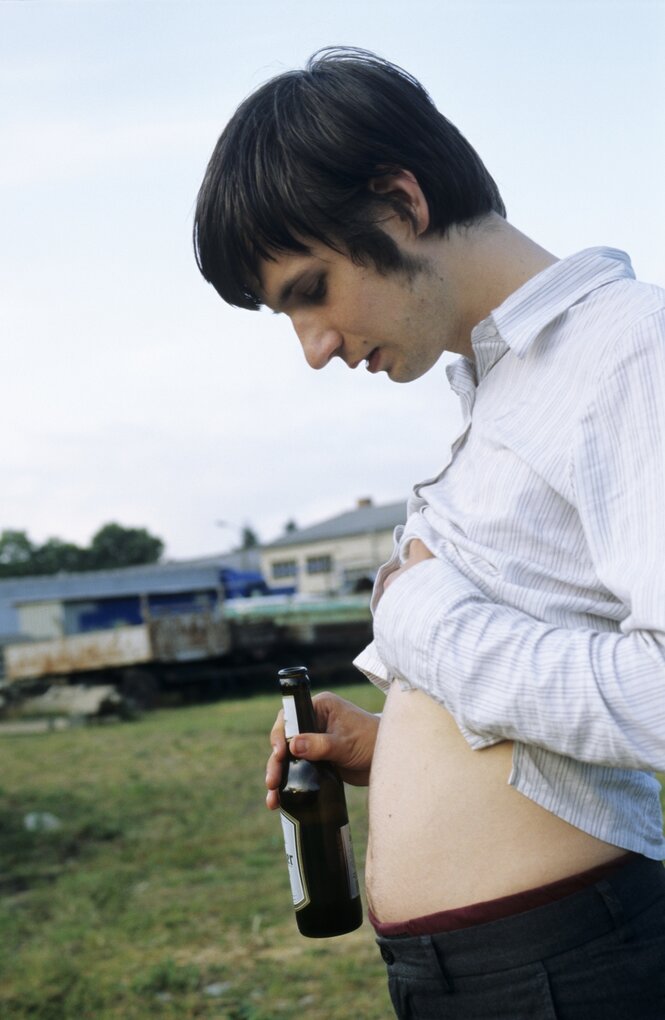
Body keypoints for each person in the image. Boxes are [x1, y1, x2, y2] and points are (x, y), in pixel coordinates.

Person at [193, 47, 665, 1018]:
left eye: (309, 290)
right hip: (472, 974)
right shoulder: (497, 394)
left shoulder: (626, 352)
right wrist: (393, 747)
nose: (314, 349)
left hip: (565, 969)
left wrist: (422, 623)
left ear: (400, 205)